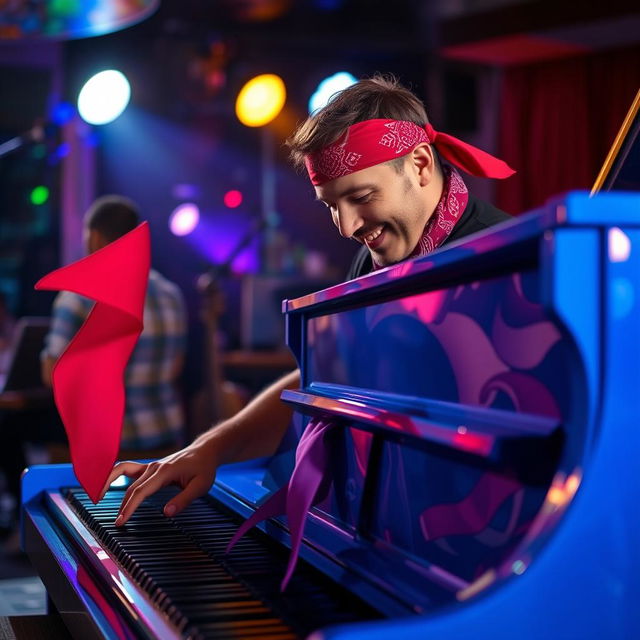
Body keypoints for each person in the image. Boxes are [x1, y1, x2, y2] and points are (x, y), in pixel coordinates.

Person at [104, 75, 513, 525]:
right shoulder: (371, 258)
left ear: (418, 164)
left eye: (360, 197)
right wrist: (208, 449)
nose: (347, 226)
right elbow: (325, 379)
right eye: (331, 205)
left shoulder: (504, 261)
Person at [42, 195, 188, 454]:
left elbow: (54, 375)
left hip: (106, 454)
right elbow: (176, 366)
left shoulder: (78, 295)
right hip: (167, 450)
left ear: (95, 237)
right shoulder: (170, 293)